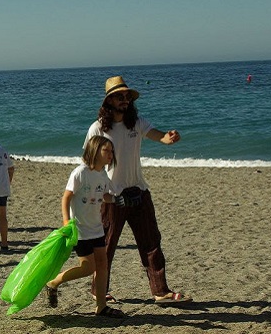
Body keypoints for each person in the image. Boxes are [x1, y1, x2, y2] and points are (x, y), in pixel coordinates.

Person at [84, 76, 192, 304]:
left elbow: (158, 135)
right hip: (113, 197)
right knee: (106, 246)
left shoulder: (137, 122)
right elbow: (89, 161)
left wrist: (168, 138)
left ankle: (160, 291)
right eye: (120, 96)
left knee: (151, 242)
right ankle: (98, 291)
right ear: (109, 101)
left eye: (127, 97)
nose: (125, 100)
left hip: (140, 192)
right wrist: (100, 192)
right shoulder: (97, 128)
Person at [45, 136, 126, 318]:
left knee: (103, 265)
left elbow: (104, 195)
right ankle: (54, 282)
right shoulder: (80, 173)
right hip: (79, 228)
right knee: (88, 268)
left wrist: (115, 200)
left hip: (96, 227)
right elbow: (66, 198)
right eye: (107, 151)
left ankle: (101, 306)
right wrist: (67, 223)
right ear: (95, 151)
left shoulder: (103, 174)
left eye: (112, 151)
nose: (110, 155)